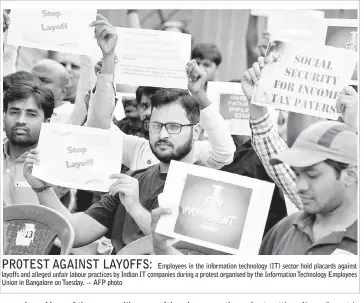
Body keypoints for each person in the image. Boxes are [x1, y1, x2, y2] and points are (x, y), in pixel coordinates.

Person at [23, 59, 228, 254]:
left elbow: (186, 255)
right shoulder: (133, 179)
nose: (163, 134)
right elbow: (74, 231)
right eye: (157, 125)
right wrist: (41, 187)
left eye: (174, 127)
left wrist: (135, 208)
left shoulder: (208, 187)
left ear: (197, 130)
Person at [85, 14, 235, 171]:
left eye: (172, 124)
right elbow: (99, 131)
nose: (150, 113)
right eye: (144, 106)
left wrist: (199, 95)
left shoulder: (195, 152)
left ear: (195, 130)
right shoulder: (139, 149)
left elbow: (224, 153)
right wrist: (108, 62)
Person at [240, 57, 358, 255]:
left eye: (312, 175)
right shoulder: (284, 230)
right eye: (296, 175)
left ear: (351, 175)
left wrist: (356, 128)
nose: (300, 186)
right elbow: (271, 150)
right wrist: (256, 103)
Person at [3, 81, 69, 206]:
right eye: (14, 112)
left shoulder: (57, 166)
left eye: (31, 114)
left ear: (47, 122)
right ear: (4, 115)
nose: (21, 121)